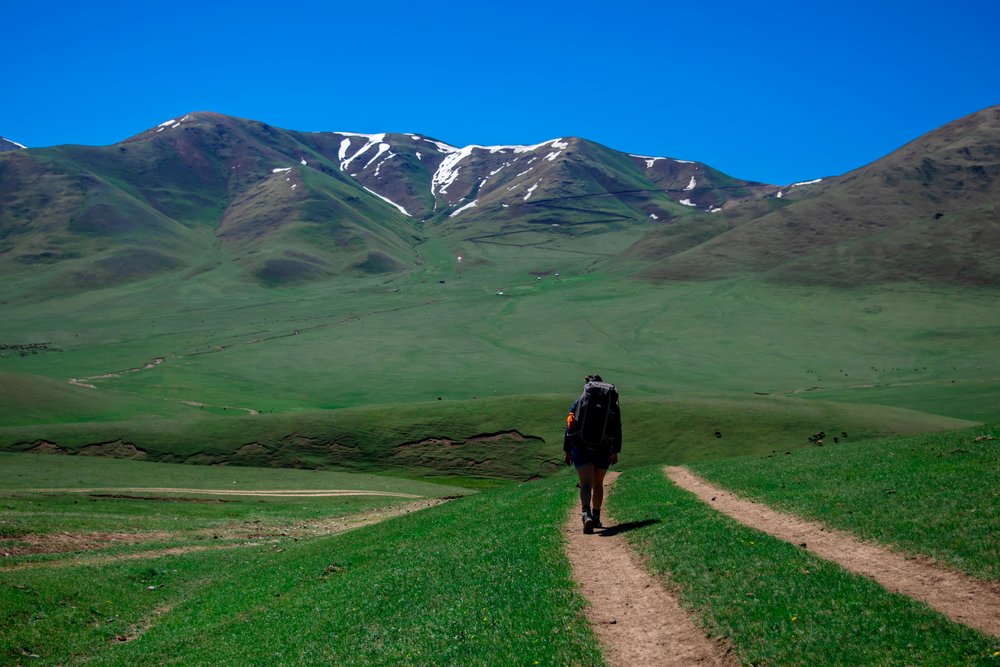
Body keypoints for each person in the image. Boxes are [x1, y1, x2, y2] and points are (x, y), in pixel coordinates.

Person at [563, 374, 622, 534]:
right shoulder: (611, 404)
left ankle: (586, 513)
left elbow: (569, 426)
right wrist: (615, 451)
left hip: (582, 448)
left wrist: (567, 450)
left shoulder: (579, 403)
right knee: (598, 484)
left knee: (586, 484)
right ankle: (596, 517)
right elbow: (617, 429)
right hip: (603, 449)